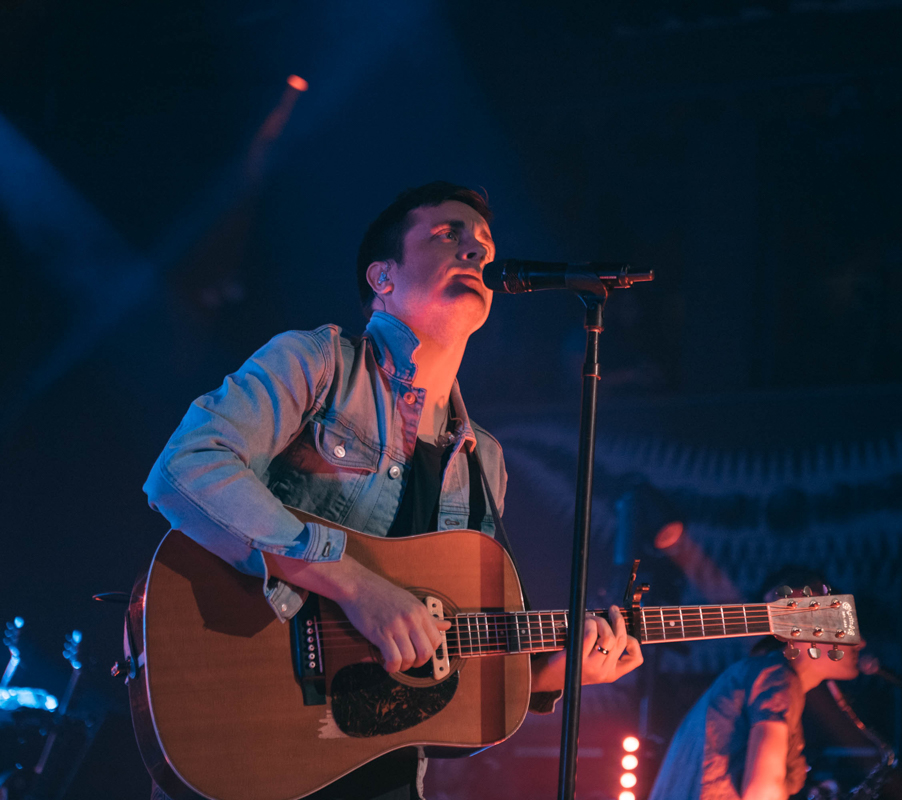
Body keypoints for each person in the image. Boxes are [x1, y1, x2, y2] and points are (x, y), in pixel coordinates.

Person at [143, 181, 643, 799]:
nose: (476, 250)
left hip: (383, 774)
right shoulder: (319, 362)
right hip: (252, 733)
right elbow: (186, 468)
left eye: (485, 243)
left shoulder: (485, 460)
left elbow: (448, 667)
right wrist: (355, 586)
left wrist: (550, 675)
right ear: (383, 276)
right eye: (448, 234)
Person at [648, 574, 860, 800]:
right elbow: (761, 793)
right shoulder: (777, 677)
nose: (861, 642)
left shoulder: (758, 673)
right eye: (845, 624)